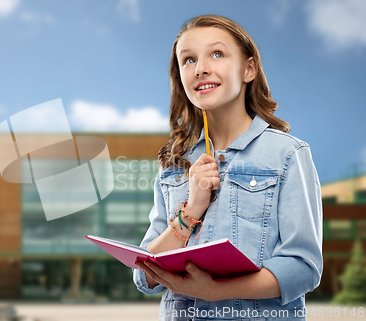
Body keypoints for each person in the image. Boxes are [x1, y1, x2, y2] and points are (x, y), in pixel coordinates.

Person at [133, 15, 322, 321]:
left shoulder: (287, 154)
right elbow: (145, 276)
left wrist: (217, 292)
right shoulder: (173, 165)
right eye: (188, 60)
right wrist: (191, 210)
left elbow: (303, 268)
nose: (200, 68)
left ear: (249, 69)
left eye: (217, 54)